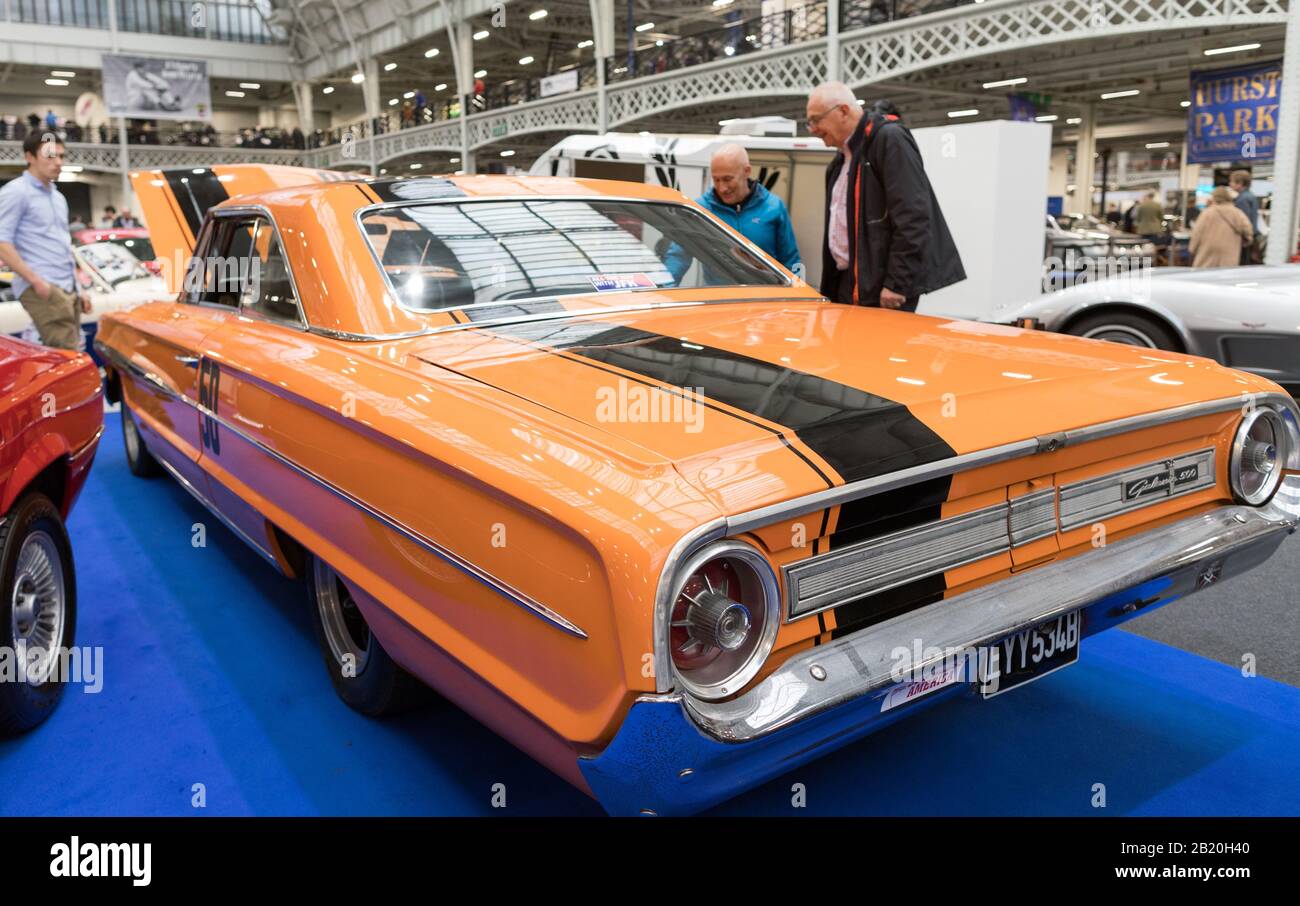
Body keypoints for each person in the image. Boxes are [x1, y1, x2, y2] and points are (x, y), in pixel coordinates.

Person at [805, 83, 964, 309]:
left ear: (843, 111)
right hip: (849, 282)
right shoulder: (841, 161)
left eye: (816, 119)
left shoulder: (889, 140)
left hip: (881, 289)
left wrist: (897, 283)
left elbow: (914, 217)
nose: (812, 129)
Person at [0, 133, 91, 350]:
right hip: (43, 286)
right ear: (29, 156)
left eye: (61, 156)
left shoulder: (57, 198)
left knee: (69, 355)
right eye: (50, 156)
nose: (58, 162)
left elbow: (62, 246)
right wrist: (37, 283)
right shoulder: (16, 192)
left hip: (66, 286)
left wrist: (78, 289)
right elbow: (2, 242)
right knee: (67, 356)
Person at [665, 143, 801, 279]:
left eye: (727, 179)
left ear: (747, 171)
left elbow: (791, 261)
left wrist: (798, 296)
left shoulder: (773, 207)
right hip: (721, 298)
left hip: (764, 298)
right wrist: (662, 290)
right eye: (716, 180)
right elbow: (678, 257)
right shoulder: (700, 210)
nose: (722, 188)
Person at [1189, 186, 1252, 268]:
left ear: (1214, 197)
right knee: (1225, 277)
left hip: (1207, 253)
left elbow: (1197, 233)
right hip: (1230, 253)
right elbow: (1248, 231)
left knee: (1204, 278)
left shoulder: (1207, 213)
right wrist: (1245, 242)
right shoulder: (1238, 213)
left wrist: (1192, 249)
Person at [1230, 169, 1260, 264]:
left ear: (1240, 183)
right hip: (1252, 236)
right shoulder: (1251, 196)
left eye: (1232, 181)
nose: (1230, 184)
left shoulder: (1242, 199)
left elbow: (1243, 221)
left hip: (1245, 239)